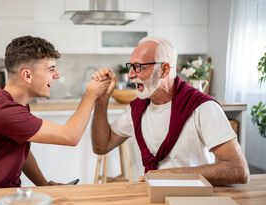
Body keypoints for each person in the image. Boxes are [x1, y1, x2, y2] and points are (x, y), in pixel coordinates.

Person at [91, 36, 249, 186]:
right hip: (148, 197)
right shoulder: (135, 109)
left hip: (196, 199)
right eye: (130, 66)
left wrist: (170, 175)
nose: (131, 75)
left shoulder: (203, 107)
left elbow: (237, 169)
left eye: (138, 67)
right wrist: (101, 100)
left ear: (164, 70)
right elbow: (101, 146)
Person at [0, 36, 111, 189]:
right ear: (27, 75)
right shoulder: (4, 111)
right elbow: (71, 136)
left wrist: (43, 184)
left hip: (8, 196)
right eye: (51, 69)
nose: (57, 75)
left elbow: (22, 153)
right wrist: (91, 94)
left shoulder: (16, 105)